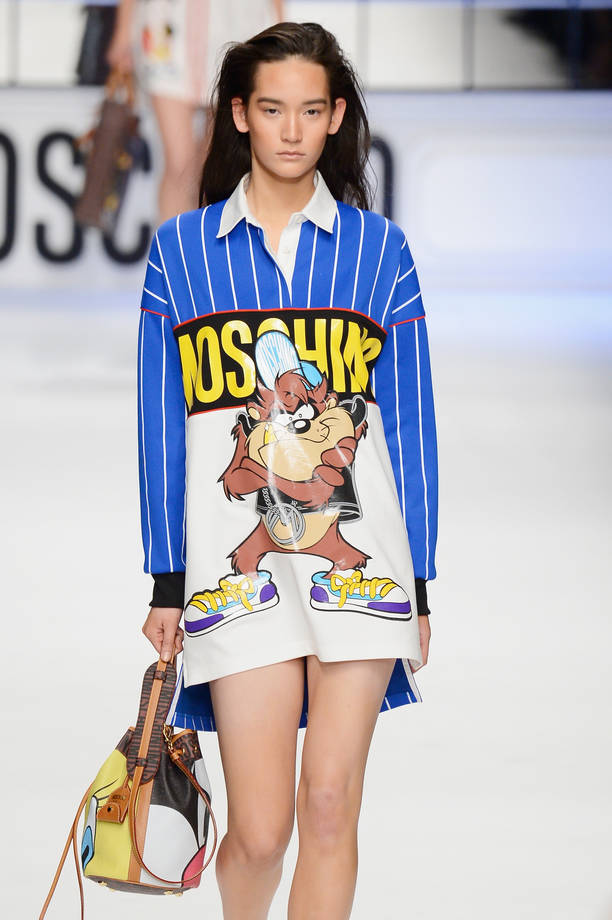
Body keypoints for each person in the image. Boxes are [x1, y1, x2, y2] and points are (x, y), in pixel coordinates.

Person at [137, 21, 438, 918]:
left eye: (311, 110)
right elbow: (159, 430)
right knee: (261, 833)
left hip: (362, 562)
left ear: (336, 117)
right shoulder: (182, 253)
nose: (293, 130)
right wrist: (163, 580)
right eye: (273, 109)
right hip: (236, 570)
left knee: (331, 805)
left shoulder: (380, 252)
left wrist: (422, 580)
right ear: (240, 114)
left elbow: (411, 425)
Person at [107, 0, 284, 220]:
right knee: (179, 164)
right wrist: (123, 31)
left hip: (236, 26)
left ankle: (206, 237)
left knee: (218, 164)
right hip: (166, 30)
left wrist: (279, 29)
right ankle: (174, 241)